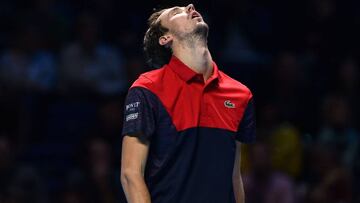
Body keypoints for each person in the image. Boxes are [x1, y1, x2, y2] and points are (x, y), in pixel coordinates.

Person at [120, 4, 256, 203]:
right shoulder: (147, 89)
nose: (190, 6)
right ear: (165, 39)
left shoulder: (241, 95)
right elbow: (130, 174)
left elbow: (234, 176)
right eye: (176, 12)